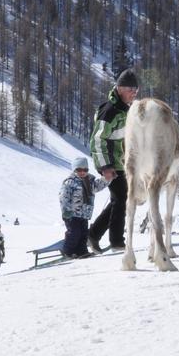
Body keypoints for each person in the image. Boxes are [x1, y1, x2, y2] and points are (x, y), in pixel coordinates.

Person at [88, 69, 140, 252]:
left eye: (136, 90)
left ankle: (93, 234)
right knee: (122, 198)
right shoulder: (109, 110)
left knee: (118, 199)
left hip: (119, 161)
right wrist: (105, 167)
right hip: (108, 162)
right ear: (119, 88)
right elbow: (97, 140)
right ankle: (117, 241)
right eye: (130, 89)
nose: (133, 93)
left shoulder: (126, 110)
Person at [60, 157, 107, 258]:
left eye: (85, 170)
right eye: (79, 170)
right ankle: (67, 251)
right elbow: (64, 197)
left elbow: (98, 186)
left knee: (83, 234)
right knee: (74, 233)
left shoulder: (90, 181)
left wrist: (106, 178)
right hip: (71, 214)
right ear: (74, 170)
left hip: (84, 214)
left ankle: (81, 251)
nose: (82, 172)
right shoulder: (70, 182)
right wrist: (66, 210)